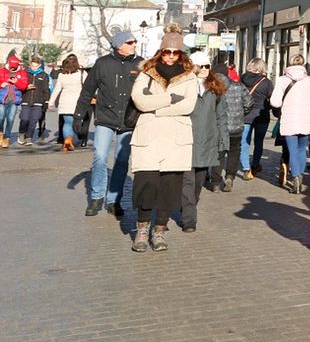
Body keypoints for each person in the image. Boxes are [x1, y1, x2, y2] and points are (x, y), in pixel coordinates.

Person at [128, 30, 199, 252]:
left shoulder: (189, 76)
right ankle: (141, 231)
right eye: (167, 52)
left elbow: (188, 106)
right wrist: (169, 99)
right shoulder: (146, 73)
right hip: (149, 136)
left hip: (176, 138)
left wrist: (156, 107)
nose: (170, 56)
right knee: (146, 185)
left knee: (170, 188)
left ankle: (159, 232)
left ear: (181, 54)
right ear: (160, 52)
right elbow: (139, 101)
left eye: (175, 53)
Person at [74, 31, 142, 217]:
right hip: (105, 118)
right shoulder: (102, 63)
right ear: (119, 45)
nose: (134, 44)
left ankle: (113, 200)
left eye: (135, 42)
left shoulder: (141, 64)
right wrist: (78, 116)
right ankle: (96, 197)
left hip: (129, 121)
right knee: (100, 157)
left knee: (121, 161)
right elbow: (87, 91)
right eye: (130, 42)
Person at [181, 51, 225, 233]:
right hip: (186, 139)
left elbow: (221, 116)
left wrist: (223, 140)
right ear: (193, 66)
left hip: (207, 140)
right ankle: (189, 219)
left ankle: (189, 206)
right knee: (187, 181)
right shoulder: (183, 85)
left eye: (208, 66)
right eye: (203, 66)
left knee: (198, 181)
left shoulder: (215, 88)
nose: (206, 69)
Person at [270, 54, 310, 194]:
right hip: (306, 120)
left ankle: (295, 179)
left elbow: (275, 102)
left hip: (289, 120)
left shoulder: (282, 80)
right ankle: (300, 176)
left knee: (292, 150)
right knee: (301, 150)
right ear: (303, 64)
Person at [209, 55, 244, 192]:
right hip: (236, 127)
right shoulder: (238, 86)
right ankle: (230, 176)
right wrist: (240, 114)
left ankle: (216, 182)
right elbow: (248, 103)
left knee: (218, 154)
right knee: (234, 153)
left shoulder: (211, 87)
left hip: (218, 127)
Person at [238, 58, 274, 179]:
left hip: (245, 115)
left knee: (244, 142)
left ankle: (246, 169)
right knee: (259, 142)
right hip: (261, 116)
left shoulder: (242, 79)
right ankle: (255, 165)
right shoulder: (266, 82)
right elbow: (272, 99)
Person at [50, 55, 86, 151]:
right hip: (78, 102)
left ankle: (67, 139)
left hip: (65, 102)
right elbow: (88, 87)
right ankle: (72, 140)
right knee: (77, 122)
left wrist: (51, 102)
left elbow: (57, 89)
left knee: (67, 123)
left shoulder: (62, 75)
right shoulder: (82, 73)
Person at [17, 55, 51, 145]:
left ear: (39, 65)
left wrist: (47, 101)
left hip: (38, 102)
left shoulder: (44, 75)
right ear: (30, 65)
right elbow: (20, 85)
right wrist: (26, 87)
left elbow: (46, 89)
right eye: (33, 66)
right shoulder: (25, 73)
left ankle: (29, 137)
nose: (34, 68)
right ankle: (21, 133)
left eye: (36, 66)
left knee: (33, 121)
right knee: (24, 119)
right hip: (26, 100)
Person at [0, 53, 28, 148]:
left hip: (14, 100)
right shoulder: (2, 71)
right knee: (1, 118)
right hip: (2, 99)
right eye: (11, 66)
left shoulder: (22, 73)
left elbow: (24, 86)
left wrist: (17, 82)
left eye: (14, 67)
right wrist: (1, 85)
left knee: (10, 120)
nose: (12, 69)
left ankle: (6, 138)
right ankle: (0, 134)